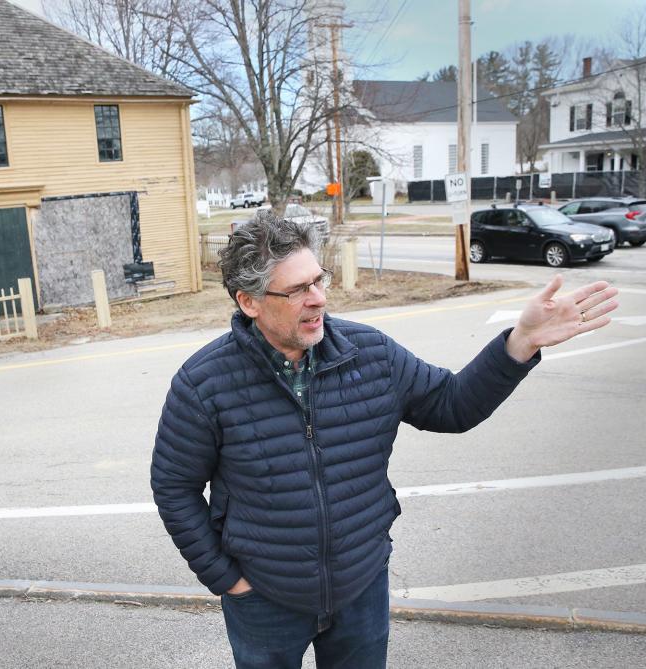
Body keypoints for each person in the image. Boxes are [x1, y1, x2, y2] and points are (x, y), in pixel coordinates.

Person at [150, 212, 618, 668]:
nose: (317, 299)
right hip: (264, 597)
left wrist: (521, 343)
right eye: (297, 290)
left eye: (319, 280)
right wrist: (227, 580)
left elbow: (453, 405)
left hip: (361, 586)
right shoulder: (204, 382)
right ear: (249, 302)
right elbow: (175, 487)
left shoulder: (371, 354)